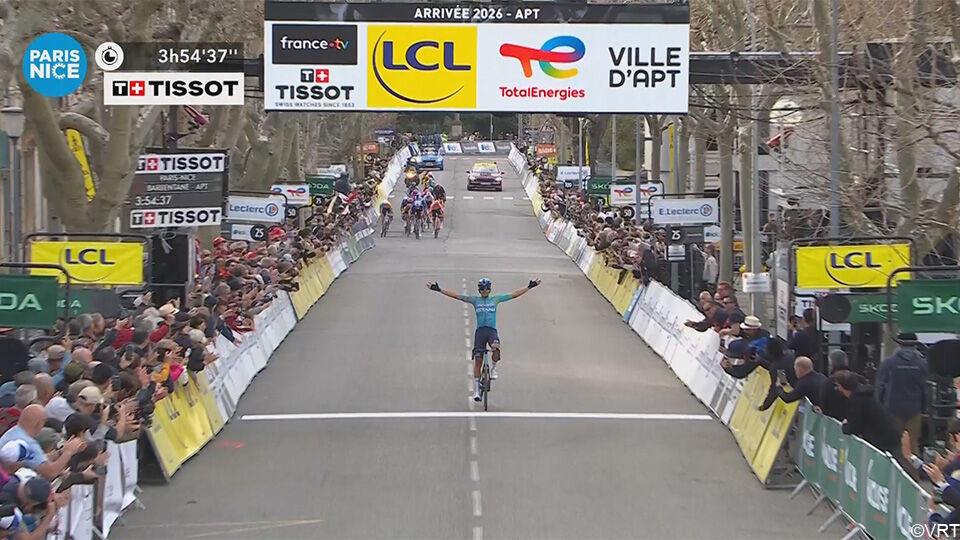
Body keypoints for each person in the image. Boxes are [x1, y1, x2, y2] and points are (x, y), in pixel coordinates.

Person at [428, 278, 541, 401]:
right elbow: (457, 296)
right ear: (479, 290)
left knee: (496, 347)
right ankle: (477, 391)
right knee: (478, 360)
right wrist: (439, 290)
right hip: (480, 333)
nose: (484, 291)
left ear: (490, 289)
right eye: (482, 289)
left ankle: (494, 368)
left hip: (491, 331)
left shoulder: (496, 299)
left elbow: (514, 294)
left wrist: (529, 287)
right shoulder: (475, 300)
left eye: (487, 289)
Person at [834, 370, 915, 476]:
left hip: (883, 439)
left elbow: (854, 427)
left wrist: (845, 426)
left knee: (900, 468)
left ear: (842, 386)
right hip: (889, 434)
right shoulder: (865, 395)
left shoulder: (857, 401)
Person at [875, 333, 928, 455]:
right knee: (913, 443)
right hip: (914, 410)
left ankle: (894, 465)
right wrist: (923, 409)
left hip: (892, 409)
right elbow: (925, 390)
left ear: (899, 345)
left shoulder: (889, 363)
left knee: (893, 442)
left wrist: (879, 407)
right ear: (915, 345)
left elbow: (880, 387)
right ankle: (913, 466)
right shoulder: (922, 364)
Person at [0, 405, 83, 481]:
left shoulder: (14, 432)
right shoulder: (28, 443)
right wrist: (68, 452)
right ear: (39, 424)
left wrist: (60, 452)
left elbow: (39, 461)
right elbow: (51, 473)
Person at [758, 338, 797, 411]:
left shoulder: (776, 367)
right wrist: (760, 361)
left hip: (798, 389)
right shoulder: (790, 355)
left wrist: (765, 405)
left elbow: (775, 388)